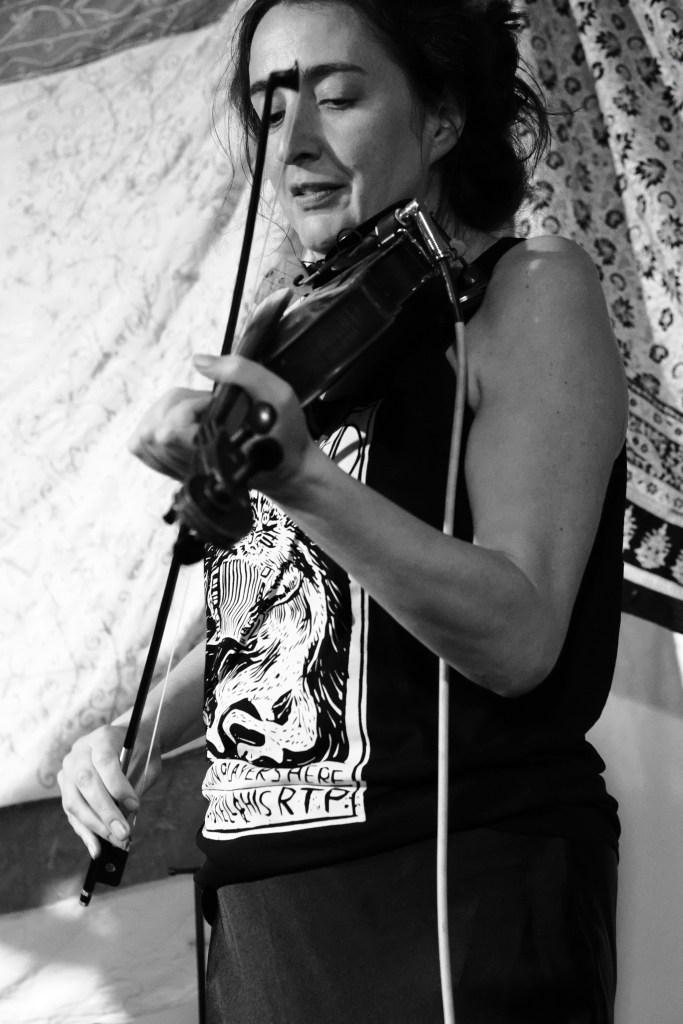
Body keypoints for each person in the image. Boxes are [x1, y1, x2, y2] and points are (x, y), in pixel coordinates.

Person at [58, 1, 629, 1021]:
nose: (294, 145)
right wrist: (136, 728)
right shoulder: (292, 328)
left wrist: (303, 479)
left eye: (338, 96)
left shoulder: (527, 291)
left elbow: (519, 635)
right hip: (263, 914)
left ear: (442, 117)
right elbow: (285, 607)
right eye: (270, 109)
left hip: (448, 893)